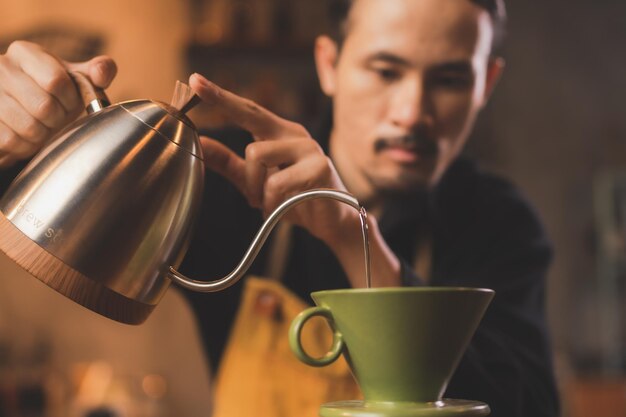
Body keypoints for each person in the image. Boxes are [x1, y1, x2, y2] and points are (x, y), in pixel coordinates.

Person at [0, 0, 560, 416]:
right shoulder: (227, 181)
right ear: (328, 64)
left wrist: (350, 234)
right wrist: (16, 133)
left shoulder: (499, 223)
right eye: (386, 71)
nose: (412, 112)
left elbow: (527, 404)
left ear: (485, 83)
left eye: (449, 79)